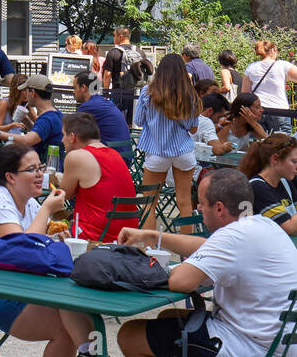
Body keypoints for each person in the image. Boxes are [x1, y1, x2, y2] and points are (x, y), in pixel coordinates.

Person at [0, 142, 116, 357]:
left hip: (11, 282)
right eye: (31, 169)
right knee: (63, 326)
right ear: (10, 176)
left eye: (40, 167)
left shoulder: (27, 202)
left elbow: (38, 248)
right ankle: (93, 353)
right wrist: (47, 210)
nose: (40, 174)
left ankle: (91, 352)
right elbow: (22, 249)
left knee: (66, 298)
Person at [117, 168, 297, 357]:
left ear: (219, 208)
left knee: (130, 336)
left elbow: (180, 282)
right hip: (283, 350)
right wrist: (154, 236)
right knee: (170, 317)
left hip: (255, 354)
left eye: (201, 202)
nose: (198, 207)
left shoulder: (232, 236)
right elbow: (210, 248)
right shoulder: (263, 225)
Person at [134, 53, 200, 230]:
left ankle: (149, 249)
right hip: (183, 152)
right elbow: (193, 129)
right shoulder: (190, 95)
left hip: (156, 152)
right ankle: (187, 249)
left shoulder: (148, 92)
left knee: (149, 204)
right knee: (184, 201)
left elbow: (138, 121)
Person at [57, 112, 137, 242]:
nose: (62, 140)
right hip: (126, 236)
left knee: (49, 224)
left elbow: (64, 195)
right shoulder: (114, 154)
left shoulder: (75, 157)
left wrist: (54, 179)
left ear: (72, 137)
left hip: (95, 237)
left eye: (63, 135)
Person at [0, 76, 63, 162]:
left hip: (43, 169)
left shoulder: (46, 118)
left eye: (26, 91)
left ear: (33, 93)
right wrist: (27, 122)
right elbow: (40, 134)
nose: (25, 95)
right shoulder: (57, 114)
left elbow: (26, 140)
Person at [240, 133, 297, 235]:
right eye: (294, 161)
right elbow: (289, 228)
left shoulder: (285, 183)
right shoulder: (257, 187)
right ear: (275, 159)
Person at [241, 39, 297, 132]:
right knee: (284, 143)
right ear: (273, 50)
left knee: (260, 143)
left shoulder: (251, 68)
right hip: (280, 111)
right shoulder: (282, 65)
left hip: (258, 111)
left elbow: (245, 93)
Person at [72, 71, 132, 144]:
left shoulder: (88, 107)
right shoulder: (103, 102)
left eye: (75, 88)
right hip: (123, 153)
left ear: (84, 88)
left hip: (112, 153)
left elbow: (72, 135)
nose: (73, 92)